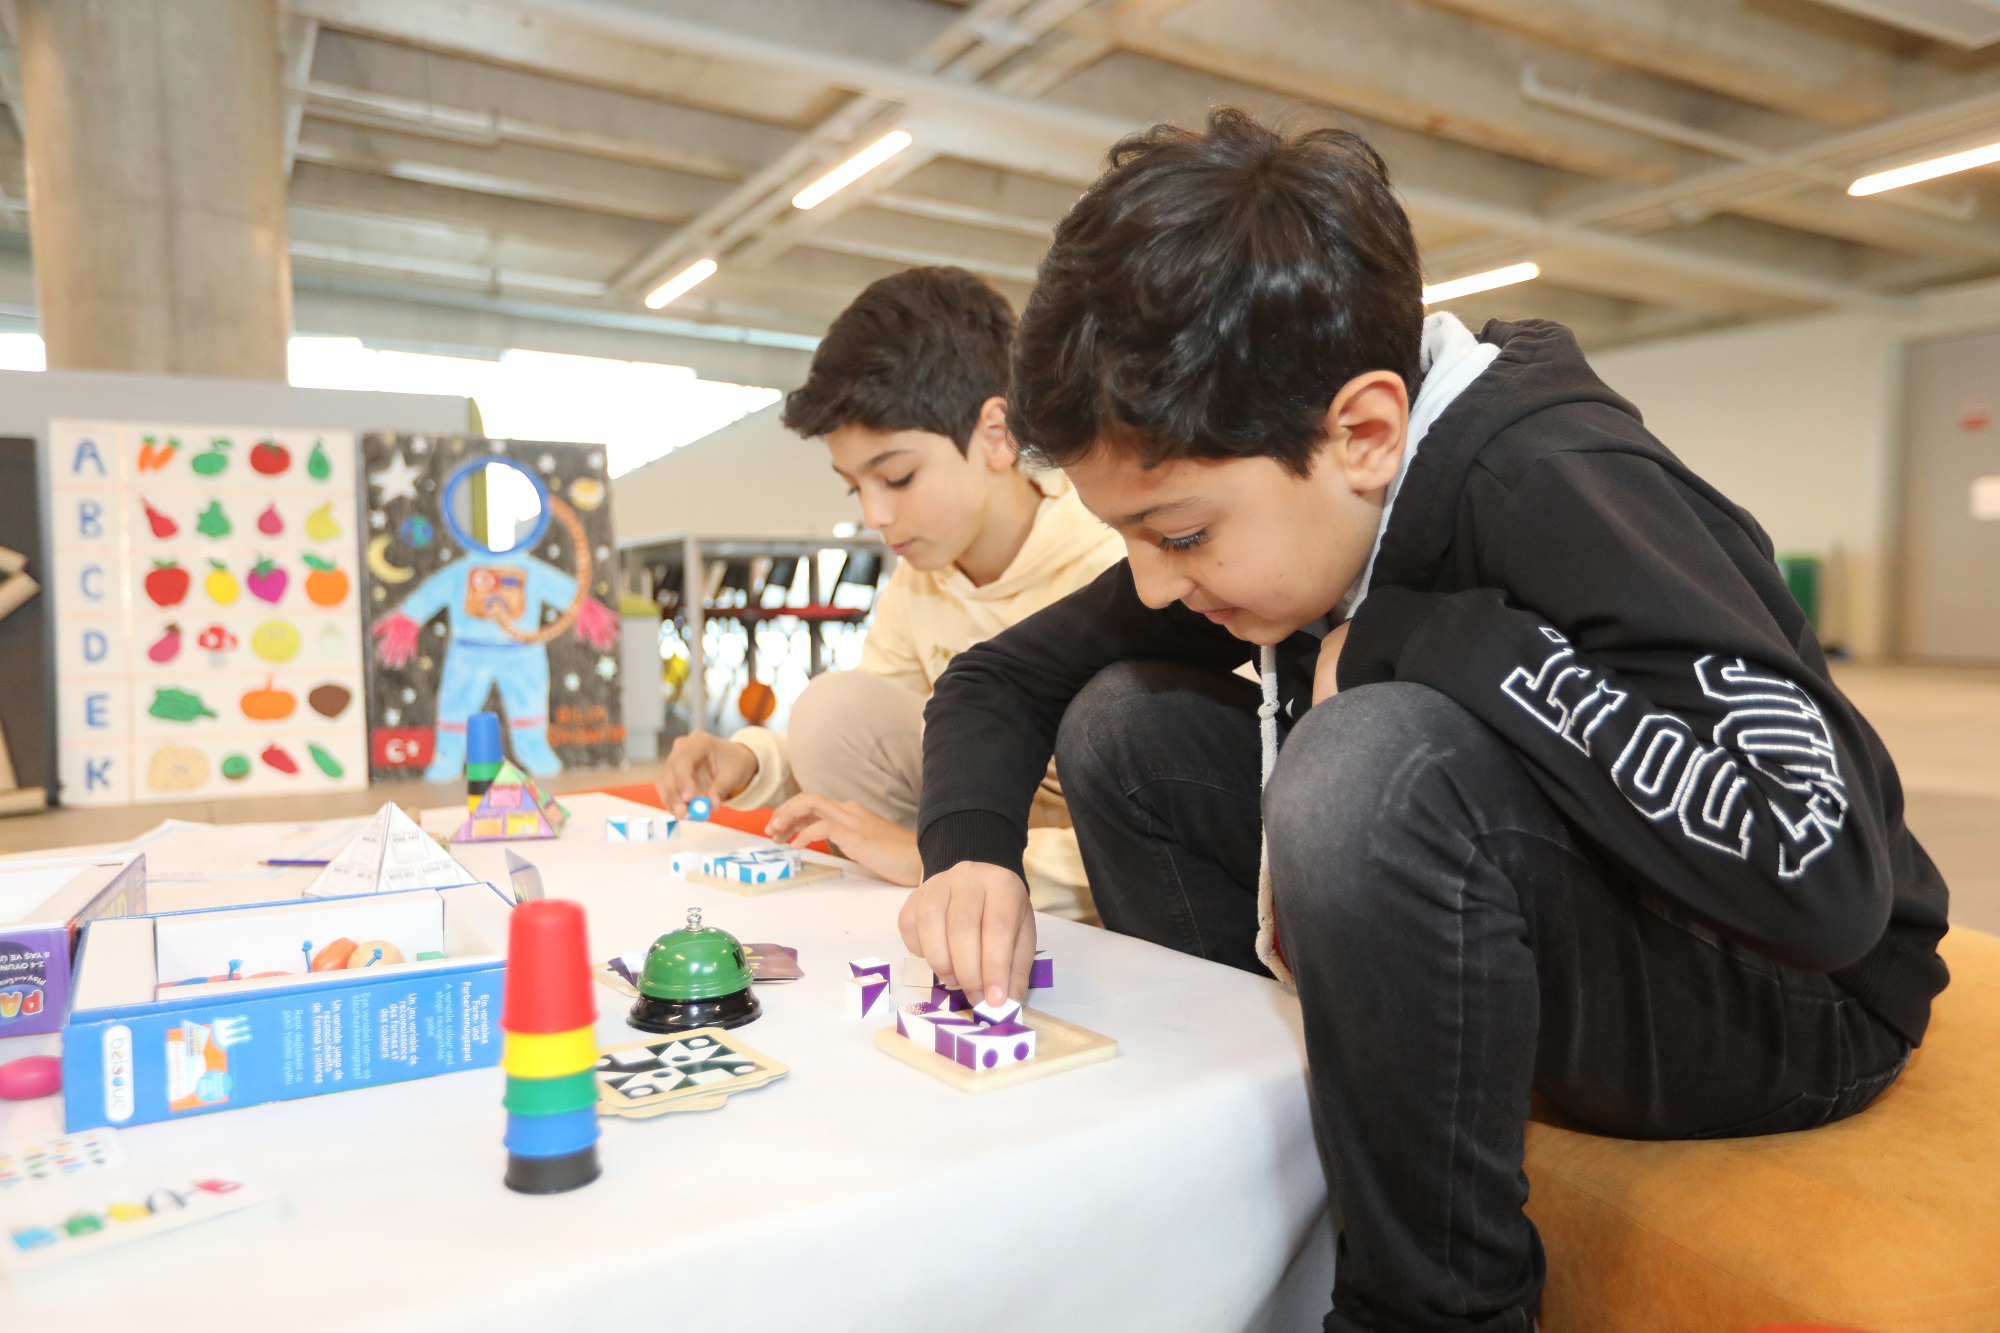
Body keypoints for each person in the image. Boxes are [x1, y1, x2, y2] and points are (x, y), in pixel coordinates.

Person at [903, 109, 1950, 1332]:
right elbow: (998, 679)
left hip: (1793, 996)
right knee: (1124, 726)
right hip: (1571, 926)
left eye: (1177, 534)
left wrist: (1425, 638)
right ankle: (1247, 1160)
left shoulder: (1554, 481)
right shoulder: (1280, 505)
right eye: (1130, 534)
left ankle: (1431, 1309)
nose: (1149, 581)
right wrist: (967, 852)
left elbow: (1820, 881)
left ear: (1362, 432)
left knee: (1368, 767)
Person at [657, 266, 1122, 919]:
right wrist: (749, 758)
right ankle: (935, 916)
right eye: (855, 487)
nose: (874, 514)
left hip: (1114, 865)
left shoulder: (1116, 559)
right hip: (979, 837)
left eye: (897, 477)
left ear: (996, 435)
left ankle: (968, 894)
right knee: (832, 710)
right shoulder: (920, 583)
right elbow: (854, 733)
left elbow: (1191, 813)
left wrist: (948, 858)